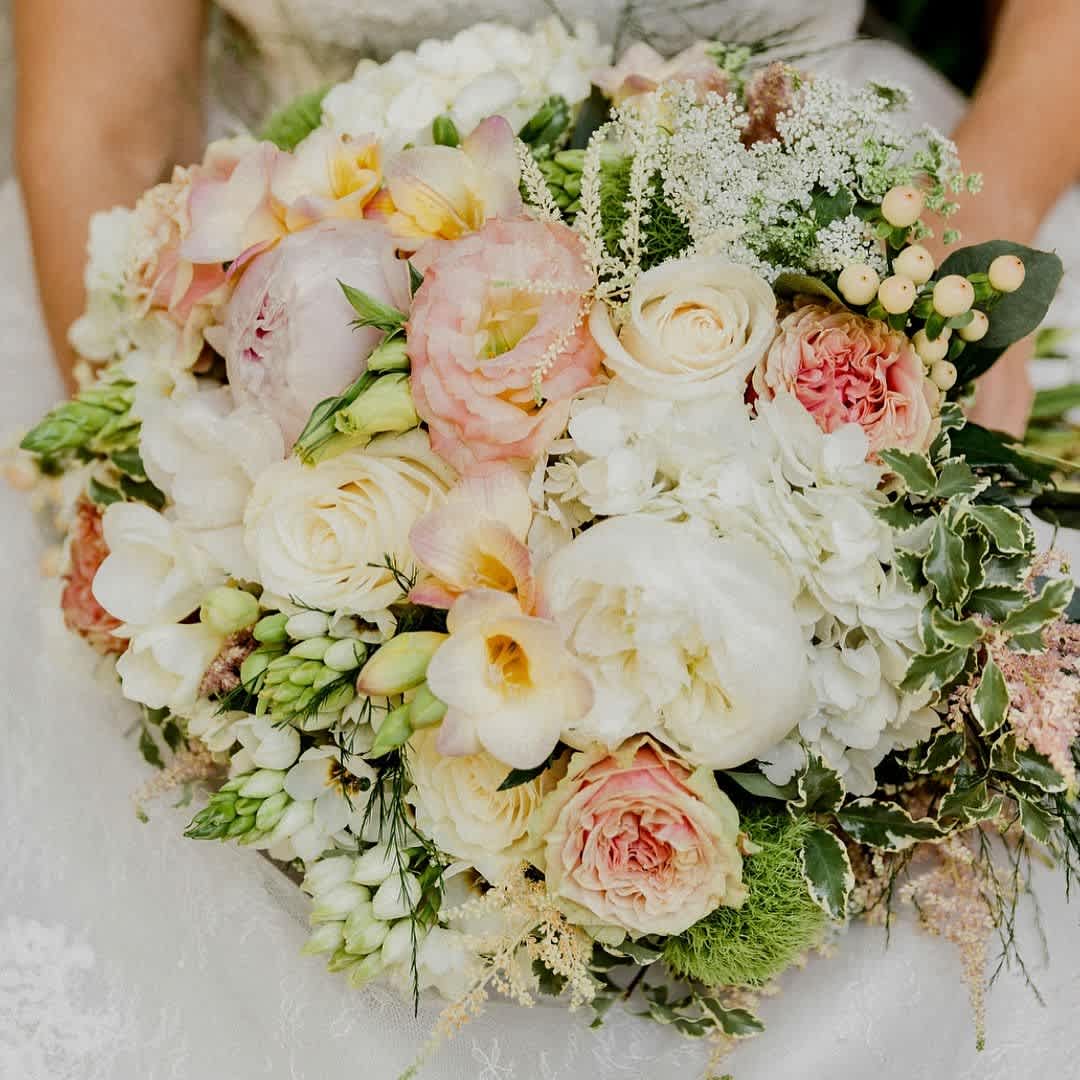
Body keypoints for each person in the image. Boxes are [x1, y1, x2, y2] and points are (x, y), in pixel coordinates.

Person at [2, 4, 1079, 1079]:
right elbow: (110, 126)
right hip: (308, 323)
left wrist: (989, 209)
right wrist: (205, 523)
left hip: (842, 254)